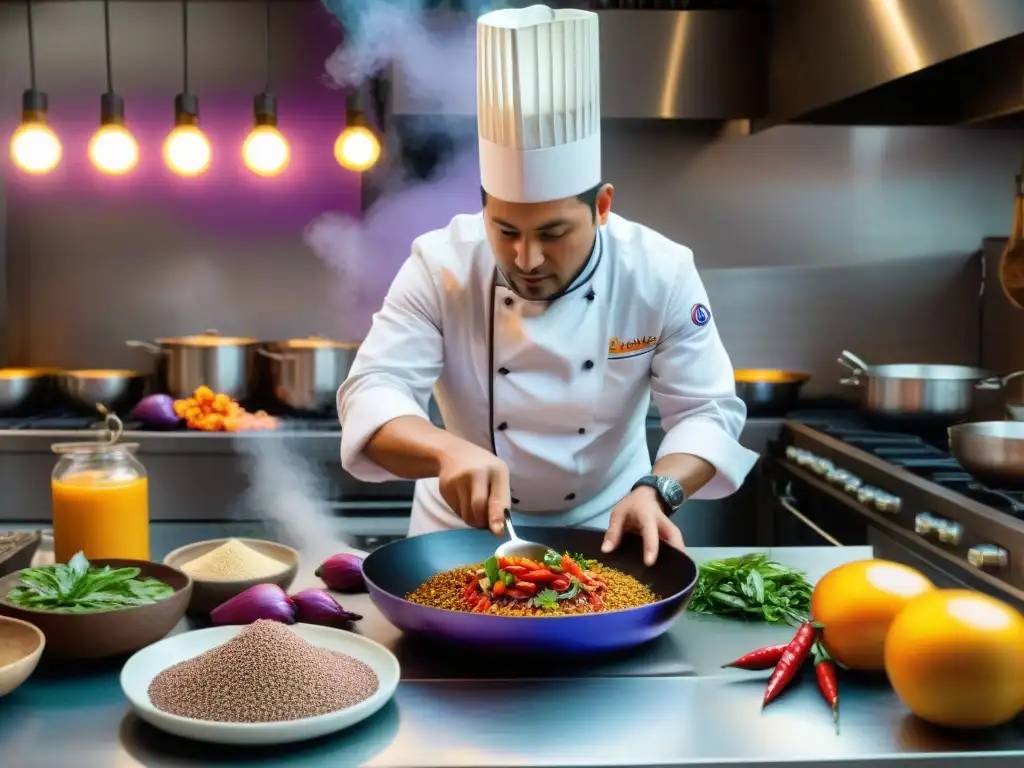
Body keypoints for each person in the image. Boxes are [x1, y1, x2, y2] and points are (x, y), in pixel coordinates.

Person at [338, 4, 758, 566]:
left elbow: (707, 411)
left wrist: (659, 489)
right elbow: (373, 391)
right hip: (456, 540)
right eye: (505, 230)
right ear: (483, 207)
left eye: (554, 233)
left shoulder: (659, 271)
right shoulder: (439, 266)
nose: (526, 257)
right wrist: (443, 450)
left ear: (602, 206)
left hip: (609, 530)